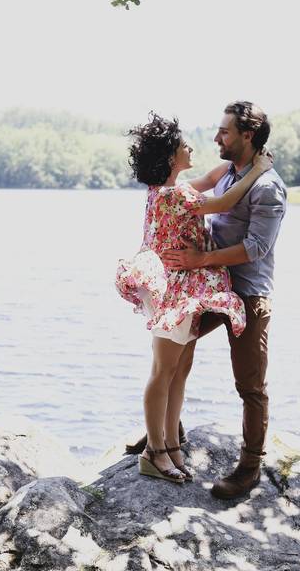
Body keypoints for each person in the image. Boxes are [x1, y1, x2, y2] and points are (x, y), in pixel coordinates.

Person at [116, 112, 274, 483]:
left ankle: (171, 444)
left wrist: (243, 160)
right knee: (163, 371)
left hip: (180, 288)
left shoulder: (169, 188)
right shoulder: (175, 195)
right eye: (184, 144)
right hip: (173, 290)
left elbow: (209, 180)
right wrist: (257, 170)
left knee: (179, 369)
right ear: (172, 157)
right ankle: (155, 452)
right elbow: (224, 201)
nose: (191, 147)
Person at [160, 101, 287, 499]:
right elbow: (195, 197)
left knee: (250, 384)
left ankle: (250, 467)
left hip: (248, 293)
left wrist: (201, 258)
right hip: (211, 284)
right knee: (173, 348)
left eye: (225, 132)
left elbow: (256, 247)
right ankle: (164, 434)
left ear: (248, 136)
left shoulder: (268, 187)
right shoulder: (230, 172)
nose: (216, 138)